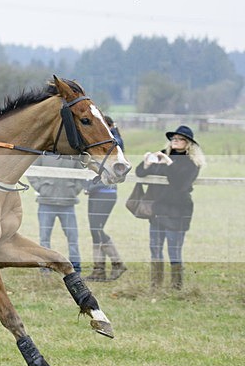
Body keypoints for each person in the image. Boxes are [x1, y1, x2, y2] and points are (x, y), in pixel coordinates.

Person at [135, 125, 205, 289]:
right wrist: (146, 163)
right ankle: (156, 283)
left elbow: (180, 183)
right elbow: (140, 172)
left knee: (174, 250)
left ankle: (176, 285)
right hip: (158, 209)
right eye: (174, 138)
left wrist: (169, 162)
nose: (176, 141)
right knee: (155, 248)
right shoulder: (162, 154)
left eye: (180, 139)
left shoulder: (192, 162)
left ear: (188, 143)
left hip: (178, 210)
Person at [85, 116, 126, 281]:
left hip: (106, 192)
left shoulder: (115, 141)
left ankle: (117, 263)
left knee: (97, 229)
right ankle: (99, 270)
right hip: (94, 191)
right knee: (94, 231)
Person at [29, 154, 85, 274]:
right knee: (44, 238)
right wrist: (41, 188)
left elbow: (82, 174)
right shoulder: (43, 153)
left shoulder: (73, 154)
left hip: (68, 203)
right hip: (46, 202)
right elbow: (31, 171)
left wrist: (74, 191)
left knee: (73, 237)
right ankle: (46, 268)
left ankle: (76, 268)